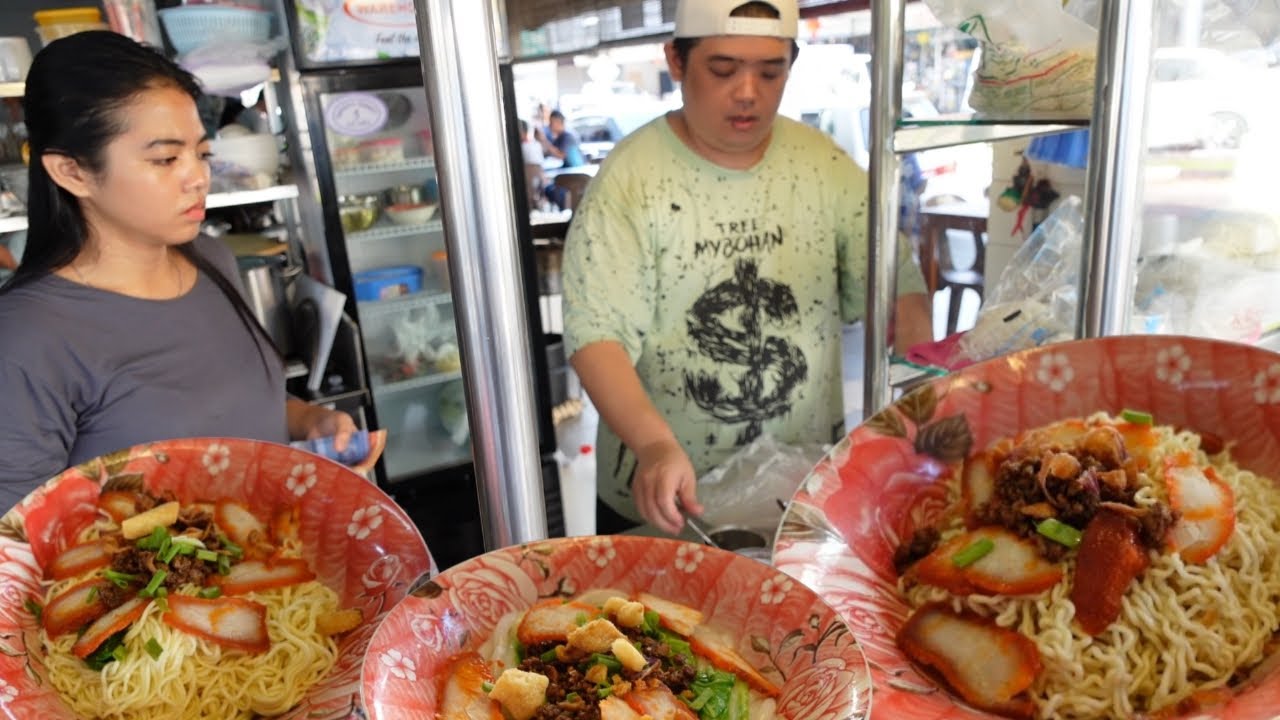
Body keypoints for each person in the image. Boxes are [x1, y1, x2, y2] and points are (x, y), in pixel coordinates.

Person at [561, 0, 933, 535]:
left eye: (770, 70)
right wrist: (654, 444)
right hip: (670, 498)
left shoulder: (822, 165)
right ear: (676, 60)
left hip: (801, 488)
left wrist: (919, 399)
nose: (747, 92)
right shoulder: (631, 182)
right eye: (723, 69)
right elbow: (598, 335)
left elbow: (898, 282)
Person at [0, 32, 355, 509]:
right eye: (165, 159)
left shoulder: (212, 260)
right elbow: (17, 547)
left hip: (277, 566)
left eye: (201, 154)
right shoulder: (27, 336)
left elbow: (227, 413)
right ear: (72, 173)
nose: (198, 177)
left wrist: (306, 419)